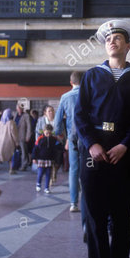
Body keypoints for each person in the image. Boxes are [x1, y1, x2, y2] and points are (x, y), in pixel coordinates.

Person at [74, 19, 130, 258]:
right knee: (95, 218)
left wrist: (126, 145)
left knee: (121, 219)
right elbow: (80, 115)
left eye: (118, 38)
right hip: (94, 156)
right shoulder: (92, 75)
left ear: (128, 45)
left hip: (122, 157)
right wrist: (91, 143)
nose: (113, 42)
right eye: (108, 39)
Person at [54, 71, 83, 213]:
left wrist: (61, 136)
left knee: (74, 170)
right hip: (88, 139)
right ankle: (88, 200)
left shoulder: (65, 97)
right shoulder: (88, 95)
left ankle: (73, 203)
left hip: (72, 138)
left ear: (71, 83)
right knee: (88, 169)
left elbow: (57, 123)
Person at [36, 104, 63, 187]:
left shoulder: (58, 120)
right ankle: (51, 177)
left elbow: (62, 131)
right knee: (49, 164)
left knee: (58, 162)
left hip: (56, 144)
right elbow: (37, 132)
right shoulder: (41, 121)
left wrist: (61, 139)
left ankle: (55, 172)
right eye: (49, 111)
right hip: (45, 146)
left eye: (52, 110)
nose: (51, 112)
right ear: (45, 113)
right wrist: (38, 144)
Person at [32, 124, 58, 194]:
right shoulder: (40, 139)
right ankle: (38, 183)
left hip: (49, 159)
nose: (48, 135)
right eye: (47, 133)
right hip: (41, 159)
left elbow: (56, 149)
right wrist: (34, 157)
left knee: (48, 174)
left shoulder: (54, 139)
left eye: (50, 133)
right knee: (40, 172)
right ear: (43, 131)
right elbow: (35, 148)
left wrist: (56, 158)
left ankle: (47, 187)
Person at [0, 109, 19, 173]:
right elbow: (14, 134)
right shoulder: (11, 123)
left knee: (0, 155)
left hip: (0, 142)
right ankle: (11, 169)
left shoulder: (0, 123)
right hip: (9, 142)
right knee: (11, 156)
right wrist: (17, 142)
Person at [14, 102, 32, 171]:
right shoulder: (15, 115)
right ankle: (16, 164)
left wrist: (28, 136)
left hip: (23, 136)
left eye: (20, 108)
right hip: (16, 136)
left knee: (24, 151)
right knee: (17, 151)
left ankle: (24, 165)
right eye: (18, 107)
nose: (19, 109)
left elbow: (29, 127)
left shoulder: (26, 115)